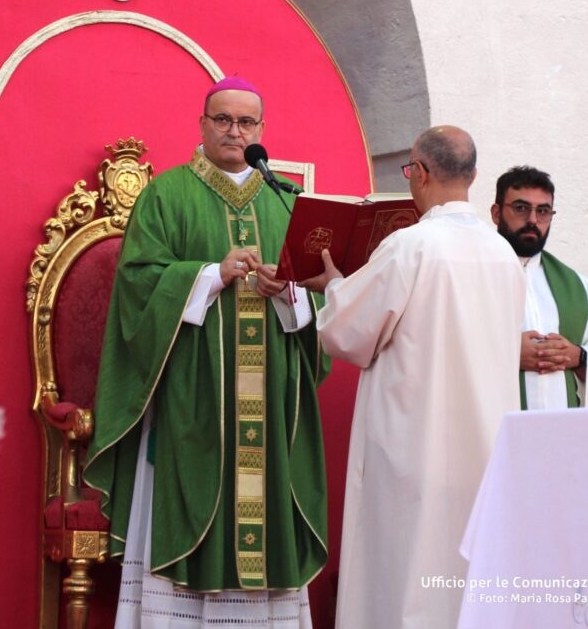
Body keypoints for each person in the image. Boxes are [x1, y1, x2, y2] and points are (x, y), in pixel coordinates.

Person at [84, 76, 331, 628]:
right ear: (202, 124)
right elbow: (137, 286)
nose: (234, 131)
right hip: (193, 393)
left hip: (271, 398)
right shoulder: (166, 194)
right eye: (223, 119)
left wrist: (287, 292)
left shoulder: (288, 200)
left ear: (261, 129)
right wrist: (210, 275)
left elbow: (321, 296)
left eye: (246, 122)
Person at [299, 126, 525, 629]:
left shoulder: (410, 246)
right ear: (473, 177)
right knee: (465, 583)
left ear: (419, 173)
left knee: (407, 579)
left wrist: (334, 286)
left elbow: (347, 333)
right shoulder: (503, 255)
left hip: (415, 451)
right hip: (484, 451)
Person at [490, 165, 588, 409]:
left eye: (543, 211)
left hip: (560, 426)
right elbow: (443, 349)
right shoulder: (472, 276)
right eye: (521, 208)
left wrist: (577, 356)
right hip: (494, 426)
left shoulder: (576, 285)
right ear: (497, 213)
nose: (533, 220)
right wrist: (506, 354)